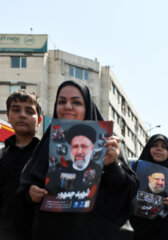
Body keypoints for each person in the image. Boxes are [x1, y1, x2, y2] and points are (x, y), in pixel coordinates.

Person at [19, 80, 138, 240]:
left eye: (76, 102)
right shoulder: (45, 145)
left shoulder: (108, 143)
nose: (68, 107)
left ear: (87, 106)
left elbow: (127, 192)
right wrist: (30, 194)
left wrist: (112, 166)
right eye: (62, 102)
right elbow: (24, 188)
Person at [0, 90, 42, 240]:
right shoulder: (2, 155)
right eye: (16, 110)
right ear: (8, 116)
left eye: (30, 111)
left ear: (39, 120)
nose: (22, 115)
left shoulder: (46, 156)